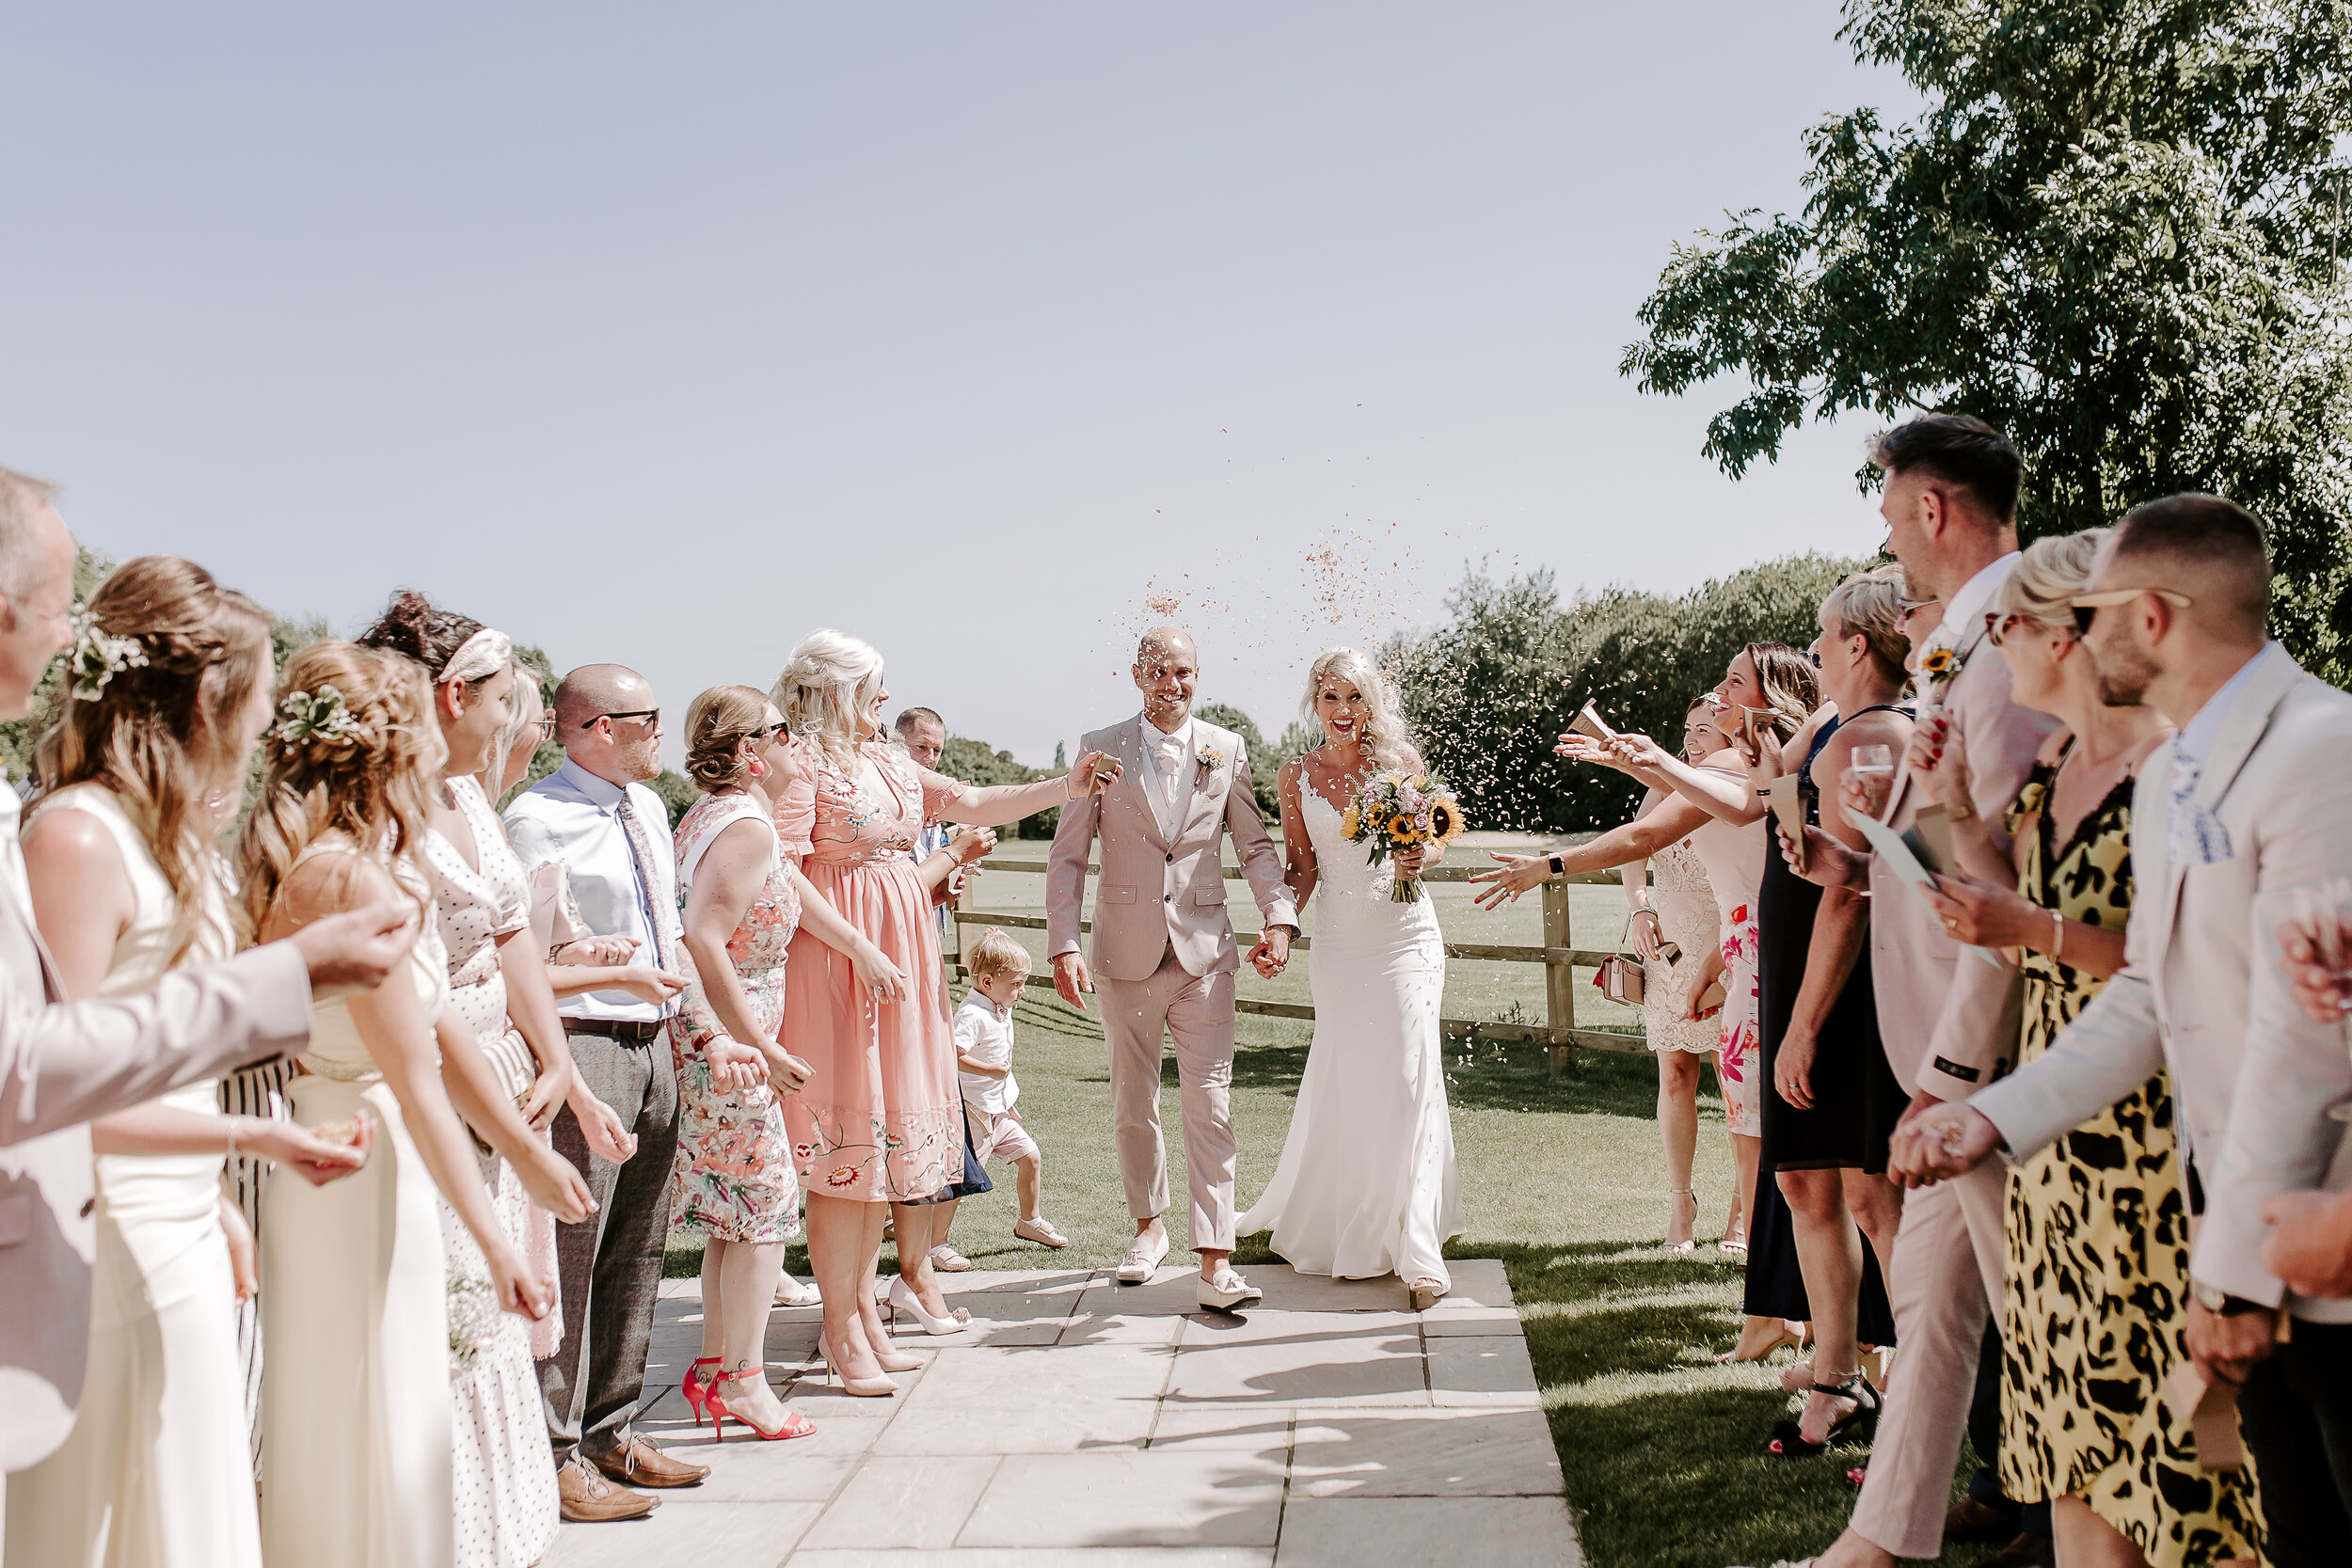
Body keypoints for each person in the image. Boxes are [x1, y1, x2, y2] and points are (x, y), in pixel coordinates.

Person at [1898, 495, 2352, 1568]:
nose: (2077, 634)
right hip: (2232, 1213)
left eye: (2094, 611)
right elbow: (2151, 993)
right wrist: (1991, 1118)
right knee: (2301, 1530)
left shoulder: (2320, 751)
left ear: (2150, 616)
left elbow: (2308, 1042)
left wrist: (2235, 1272)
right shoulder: (2179, 775)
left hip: (2320, 1223)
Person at [0, 469, 412, 1481]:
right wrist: (288, 981)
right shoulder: (77, 836)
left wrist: (226, 1168)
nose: (65, 639)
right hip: (109, 1234)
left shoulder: (155, 839)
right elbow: (40, 1069)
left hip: (180, 1213)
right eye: (54, 608)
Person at [1783, 416, 2065, 1568]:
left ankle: (2070, 1533)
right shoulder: (1961, 640)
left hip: (1988, 1061)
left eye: (1892, 513)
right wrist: (1855, 865)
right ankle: (1876, 1546)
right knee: (1940, 1313)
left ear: (1934, 510)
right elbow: (1955, 857)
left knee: (2041, 1325)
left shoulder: (2002, 646)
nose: (1889, 537)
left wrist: (1950, 1078)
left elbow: (2010, 883)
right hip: (1942, 1057)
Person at [241, 641, 564, 1568]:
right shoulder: (351, 878)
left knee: (343, 1407)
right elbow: (419, 1070)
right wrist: (502, 1237)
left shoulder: (297, 861)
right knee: (390, 1403)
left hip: (325, 1155)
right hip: (378, 1161)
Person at [774, 629, 1113, 1381]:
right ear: (836, 691)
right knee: (850, 1149)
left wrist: (1069, 784)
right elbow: (784, 872)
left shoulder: (889, 760)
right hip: (841, 960)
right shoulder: (798, 765)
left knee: (886, 1147)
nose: (888, 697)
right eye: (875, 684)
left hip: (903, 957)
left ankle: (861, 1307)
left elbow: (974, 801)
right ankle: (840, 1327)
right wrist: (860, 948)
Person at [359, 594, 612, 1565]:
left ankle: (509, 1529)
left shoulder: (466, 793)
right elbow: (416, 1000)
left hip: (509, 1067)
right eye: (504, 700)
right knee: (452, 1313)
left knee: (500, 1316)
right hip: (427, 1080)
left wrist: (556, 1062)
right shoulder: (385, 815)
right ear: (451, 693)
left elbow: (511, 929)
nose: (511, 722)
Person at [503, 663, 710, 1518]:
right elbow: (518, 954)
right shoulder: (533, 818)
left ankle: (611, 1427)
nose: (664, 733)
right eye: (649, 718)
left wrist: (696, 1028)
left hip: (655, 1043)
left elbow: (669, 926)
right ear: (596, 728)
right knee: (572, 1249)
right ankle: (552, 1453)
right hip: (582, 1045)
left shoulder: (651, 810)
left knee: (641, 1241)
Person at [1047, 626, 1295, 1310]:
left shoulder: (1227, 748)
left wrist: (1278, 917)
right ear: (1136, 675)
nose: (1173, 683)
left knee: (1210, 1104)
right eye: (1159, 671)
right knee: (1134, 1103)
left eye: (1184, 671)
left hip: (1205, 955)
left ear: (1197, 674)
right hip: (1123, 957)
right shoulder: (1099, 748)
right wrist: (1063, 943)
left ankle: (1216, 1263)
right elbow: (1068, 856)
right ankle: (1148, 1227)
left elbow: (1254, 846)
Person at [1237, 647, 1460, 1307]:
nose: (1343, 711)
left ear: (1372, 703)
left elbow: (1433, 835)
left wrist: (1424, 851)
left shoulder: (1401, 766)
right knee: (1354, 1079)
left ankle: (1417, 1244)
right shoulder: (1293, 775)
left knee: (1410, 1075)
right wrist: (1281, 926)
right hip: (1339, 943)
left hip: (1408, 936)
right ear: (1315, 701)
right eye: (1331, 698)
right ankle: (1352, 1220)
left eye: (1355, 698)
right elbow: (1302, 867)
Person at [668, 686, 819, 1443]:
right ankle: (747, 1383)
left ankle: (714, 1366)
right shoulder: (748, 826)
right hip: (731, 1050)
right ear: (750, 751)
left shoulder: (713, 815)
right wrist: (759, 1043)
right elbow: (701, 936)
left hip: (715, 1043)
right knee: (764, 1210)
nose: (798, 741)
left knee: (732, 1215)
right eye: (783, 730)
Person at [1621, 700, 1737, 1254]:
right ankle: (1681, 1204)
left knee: (1738, 1085)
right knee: (1675, 1076)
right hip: (1668, 949)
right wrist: (1640, 907)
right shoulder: (1663, 785)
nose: (1692, 741)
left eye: (1705, 731)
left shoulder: (1740, 787)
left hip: (1729, 944)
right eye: (1687, 731)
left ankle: (1743, 1211)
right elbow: (1633, 845)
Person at [893, 703, 997, 1277]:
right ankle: (918, 1242)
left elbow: (922, 898)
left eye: (937, 750)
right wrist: (952, 858)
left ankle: (924, 1238)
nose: (930, 759)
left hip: (926, 968)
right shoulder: (896, 815)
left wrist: (949, 884)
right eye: (921, 748)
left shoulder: (931, 818)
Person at [954, 928, 1069, 1249]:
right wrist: (989, 1070)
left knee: (1030, 1157)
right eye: (1016, 984)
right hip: (974, 1113)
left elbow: (995, 962)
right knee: (957, 1184)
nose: (1021, 991)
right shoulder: (972, 1015)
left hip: (999, 1112)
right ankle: (933, 1243)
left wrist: (996, 940)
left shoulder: (998, 1006)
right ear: (988, 983)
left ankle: (1029, 1221)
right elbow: (952, 1054)